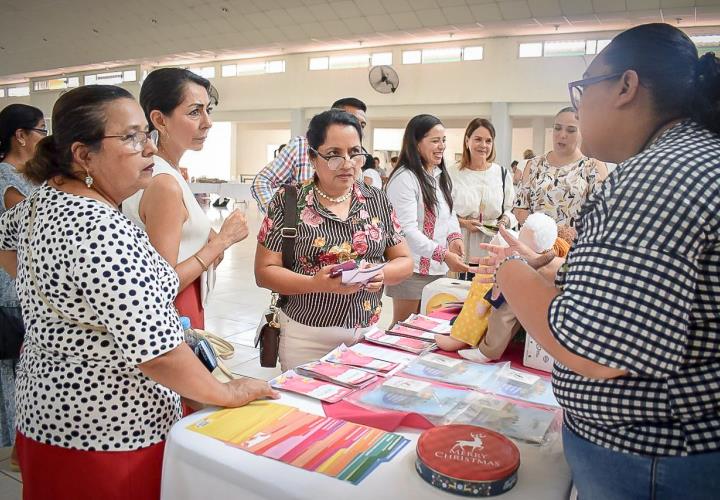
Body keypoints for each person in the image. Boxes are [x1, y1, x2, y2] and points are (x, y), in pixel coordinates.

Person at [476, 23, 720, 499]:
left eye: (583, 90)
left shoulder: (659, 175)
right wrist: (561, 273)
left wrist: (509, 269)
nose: (579, 110)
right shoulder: (688, 158)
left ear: (626, 87)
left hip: (653, 453)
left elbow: (597, 352)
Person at [0, 85, 277, 500]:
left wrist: (51, 298)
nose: (148, 147)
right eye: (131, 137)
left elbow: (5, 240)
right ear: (83, 154)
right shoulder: (98, 226)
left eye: (145, 133)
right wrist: (226, 391)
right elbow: (157, 350)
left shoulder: (46, 200)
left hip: (48, 413)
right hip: (110, 429)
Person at [255, 109, 412, 370]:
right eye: (334, 155)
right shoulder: (288, 201)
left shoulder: (377, 199)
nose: (348, 163)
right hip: (306, 337)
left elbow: (404, 261)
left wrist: (380, 273)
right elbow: (264, 272)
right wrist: (315, 283)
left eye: (355, 152)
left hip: (365, 334)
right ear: (312, 157)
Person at [122, 68, 249, 328]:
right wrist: (222, 241)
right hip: (172, 311)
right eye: (194, 112)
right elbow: (162, 283)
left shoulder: (164, 171)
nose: (207, 122)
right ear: (160, 120)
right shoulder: (163, 182)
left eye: (207, 110)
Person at [385, 114, 468, 324]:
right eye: (434, 140)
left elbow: (449, 214)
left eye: (443, 140)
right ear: (416, 143)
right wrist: (443, 254)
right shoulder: (405, 178)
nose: (441, 146)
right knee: (403, 329)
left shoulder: (439, 175)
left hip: (437, 268)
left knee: (429, 328)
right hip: (411, 269)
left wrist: (454, 238)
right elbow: (405, 232)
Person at [0, 103, 44, 468]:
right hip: (11, 292)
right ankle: (17, 446)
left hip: (20, 289)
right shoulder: (7, 180)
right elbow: (31, 229)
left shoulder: (27, 176)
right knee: (17, 370)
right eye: (41, 131)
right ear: (21, 136)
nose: (44, 139)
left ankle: (20, 445)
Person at [251, 97, 369, 212]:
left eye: (361, 125)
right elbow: (262, 182)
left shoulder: (358, 156)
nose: (356, 129)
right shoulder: (300, 146)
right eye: (351, 120)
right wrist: (276, 216)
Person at [514, 108, 608, 233]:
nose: (562, 135)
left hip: (576, 246)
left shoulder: (593, 166)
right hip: (536, 244)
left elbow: (600, 214)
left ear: (583, 132)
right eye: (558, 128)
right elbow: (520, 208)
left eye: (571, 130)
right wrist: (542, 234)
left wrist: (565, 236)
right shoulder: (534, 165)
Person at [448, 118, 516, 272]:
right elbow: (443, 212)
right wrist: (464, 223)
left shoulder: (502, 174)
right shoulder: (452, 173)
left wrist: (504, 221)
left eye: (488, 141)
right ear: (467, 141)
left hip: (493, 246)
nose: (483, 145)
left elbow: (510, 209)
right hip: (461, 243)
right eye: (478, 139)